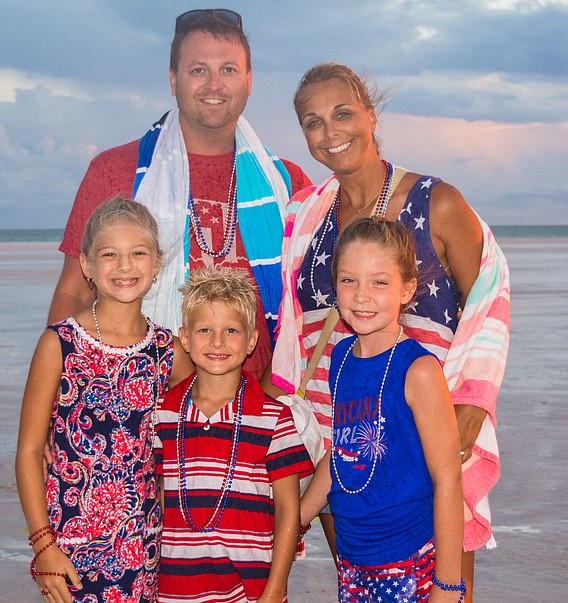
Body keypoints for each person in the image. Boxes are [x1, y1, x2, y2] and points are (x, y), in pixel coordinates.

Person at [271, 63, 510, 602]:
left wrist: (475, 398)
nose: (330, 133)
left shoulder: (437, 202)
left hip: (421, 442)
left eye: (343, 113)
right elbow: (291, 330)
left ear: (371, 115)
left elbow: (488, 297)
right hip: (342, 449)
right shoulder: (304, 215)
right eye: (313, 123)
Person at [49, 8, 312, 381]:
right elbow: (75, 293)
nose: (214, 85)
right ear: (173, 80)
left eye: (228, 69)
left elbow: (309, 311)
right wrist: (56, 406)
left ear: (250, 81)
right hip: (140, 411)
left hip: (261, 413)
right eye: (198, 70)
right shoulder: (114, 172)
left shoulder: (288, 183)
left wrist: (273, 401)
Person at [15, 198, 190, 603]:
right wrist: (44, 548)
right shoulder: (58, 344)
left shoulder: (170, 351)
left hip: (144, 547)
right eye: (109, 254)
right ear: (87, 265)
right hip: (70, 549)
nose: (125, 266)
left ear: (157, 263)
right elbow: (27, 452)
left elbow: (203, 423)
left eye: (138, 253)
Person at [300, 218, 465, 602]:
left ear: (407, 289)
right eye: (348, 280)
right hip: (352, 555)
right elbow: (342, 451)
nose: (361, 296)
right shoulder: (339, 358)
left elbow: (449, 480)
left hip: (408, 559)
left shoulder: (419, 370)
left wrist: (448, 585)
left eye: (379, 282)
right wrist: (297, 521)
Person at [155, 267, 315, 602]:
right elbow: (155, 501)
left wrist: (274, 591)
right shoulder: (162, 415)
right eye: (204, 330)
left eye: (231, 330)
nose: (217, 342)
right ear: (184, 338)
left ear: (251, 340)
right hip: (172, 591)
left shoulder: (274, 418)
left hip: (252, 592)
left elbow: (288, 509)